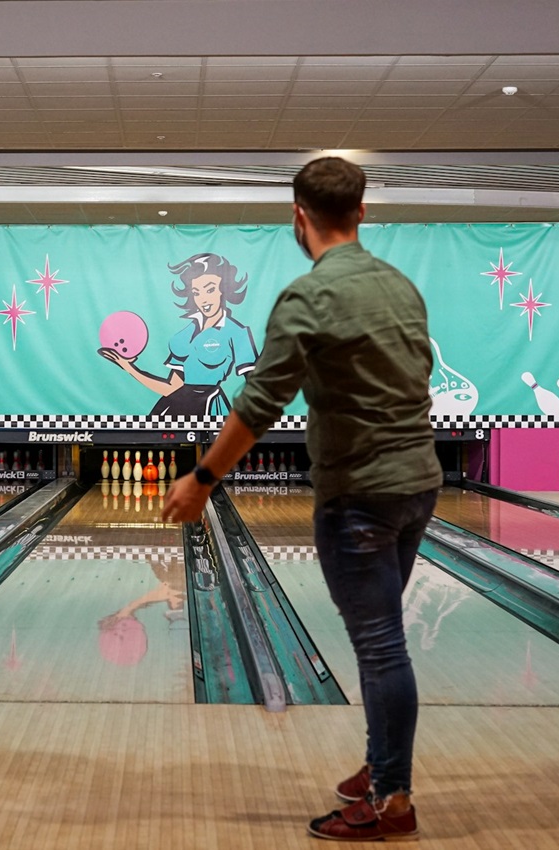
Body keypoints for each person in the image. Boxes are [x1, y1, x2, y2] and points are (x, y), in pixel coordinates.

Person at [161, 157, 442, 842]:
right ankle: (382, 765)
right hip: (420, 485)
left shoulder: (307, 298)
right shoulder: (401, 286)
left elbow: (259, 404)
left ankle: (390, 801)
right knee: (385, 643)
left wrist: (202, 480)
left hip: (360, 493)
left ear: (298, 216)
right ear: (362, 213)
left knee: (380, 649)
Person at [100, 253, 258, 416]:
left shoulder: (236, 332)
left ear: (223, 291)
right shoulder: (185, 335)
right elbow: (171, 388)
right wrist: (129, 367)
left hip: (210, 409)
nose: (203, 299)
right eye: (196, 293)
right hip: (177, 407)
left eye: (210, 289)